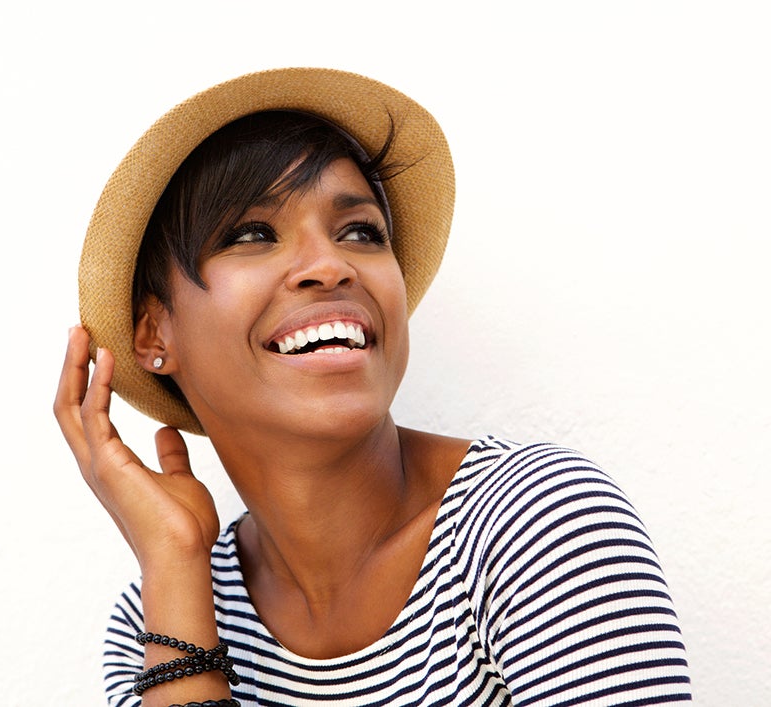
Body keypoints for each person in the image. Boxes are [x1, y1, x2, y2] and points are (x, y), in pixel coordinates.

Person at [55, 67, 691, 707]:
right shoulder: (157, 614)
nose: (330, 266)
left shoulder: (537, 522)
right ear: (154, 333)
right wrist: (174, 560)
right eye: (252, 235)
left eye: (360, 232)